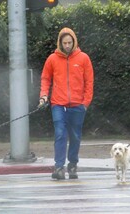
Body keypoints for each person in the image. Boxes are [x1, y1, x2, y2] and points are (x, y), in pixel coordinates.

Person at [38, 27, 94, 180]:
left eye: (70, 42)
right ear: (60, 43)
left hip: (78, 106)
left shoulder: (83, 58)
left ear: (74, 42)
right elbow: (45, 79)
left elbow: (89, 82)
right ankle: (59, 167)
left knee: (75, 137)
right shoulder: (52, 59)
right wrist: (43, 96)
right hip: (58, 105)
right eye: (65, 43)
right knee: (60, 134)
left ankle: (73, 164)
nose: (68, 45)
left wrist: (85, 103)